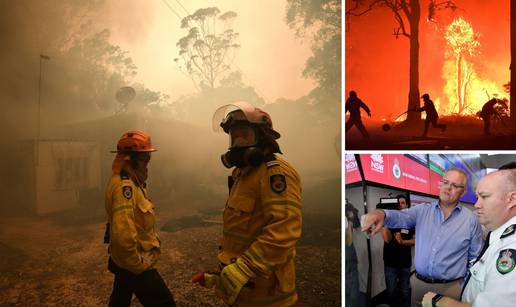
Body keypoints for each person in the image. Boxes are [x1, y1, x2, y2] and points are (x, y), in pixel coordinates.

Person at [192, 101, 302, 306]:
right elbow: (241, 236)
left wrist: (245, 268)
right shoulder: (242, 174)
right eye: (235, 136)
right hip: (244, 291)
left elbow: (285, 231)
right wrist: (221, 275)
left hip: (267, 296)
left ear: (263, 137)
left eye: (245, 134)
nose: (239, 142)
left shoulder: (275, 173)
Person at [361, 168, 483, 307]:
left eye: (455, 185)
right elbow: (401, 217)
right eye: (445, 182)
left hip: (451, 289)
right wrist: (381, 213)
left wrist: (463, 286)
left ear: (463, 191)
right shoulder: (422, 210)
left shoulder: (470, 220)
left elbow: (475, 258)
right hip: (419, 286)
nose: (448, 188)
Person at [422, 169, 516, 307]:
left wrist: (442, 302)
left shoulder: (510, 248)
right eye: (477, 197)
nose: (477, 205)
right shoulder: (497, 235)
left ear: (512, 199)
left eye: (484, 196)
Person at [104, 130, 175, 307]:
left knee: (120, 299)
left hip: (122, 260)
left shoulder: (129, 180)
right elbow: (124, 234)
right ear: (131, 159)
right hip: (133, 261)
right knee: (164, 302)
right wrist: (138, 265)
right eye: (145, 158)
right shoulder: (125, 187)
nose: (147, 163)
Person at [381, 195, 415, 307]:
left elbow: (415, 240)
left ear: (407, 205)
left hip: (405, 262)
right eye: (398, 203)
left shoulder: (412, 221)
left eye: (403, 203)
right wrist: (384, 221)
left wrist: (402, 242)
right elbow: (387, 239)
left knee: (405, 290)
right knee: (391, 290)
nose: (400, 205)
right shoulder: (390, 219)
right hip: (390, 262)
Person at [345, 200, 360, 307]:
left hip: (349, 259)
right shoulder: (347, 218)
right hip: (348, 258)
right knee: (352, 292)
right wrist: (350, 220)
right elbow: (349, 242)